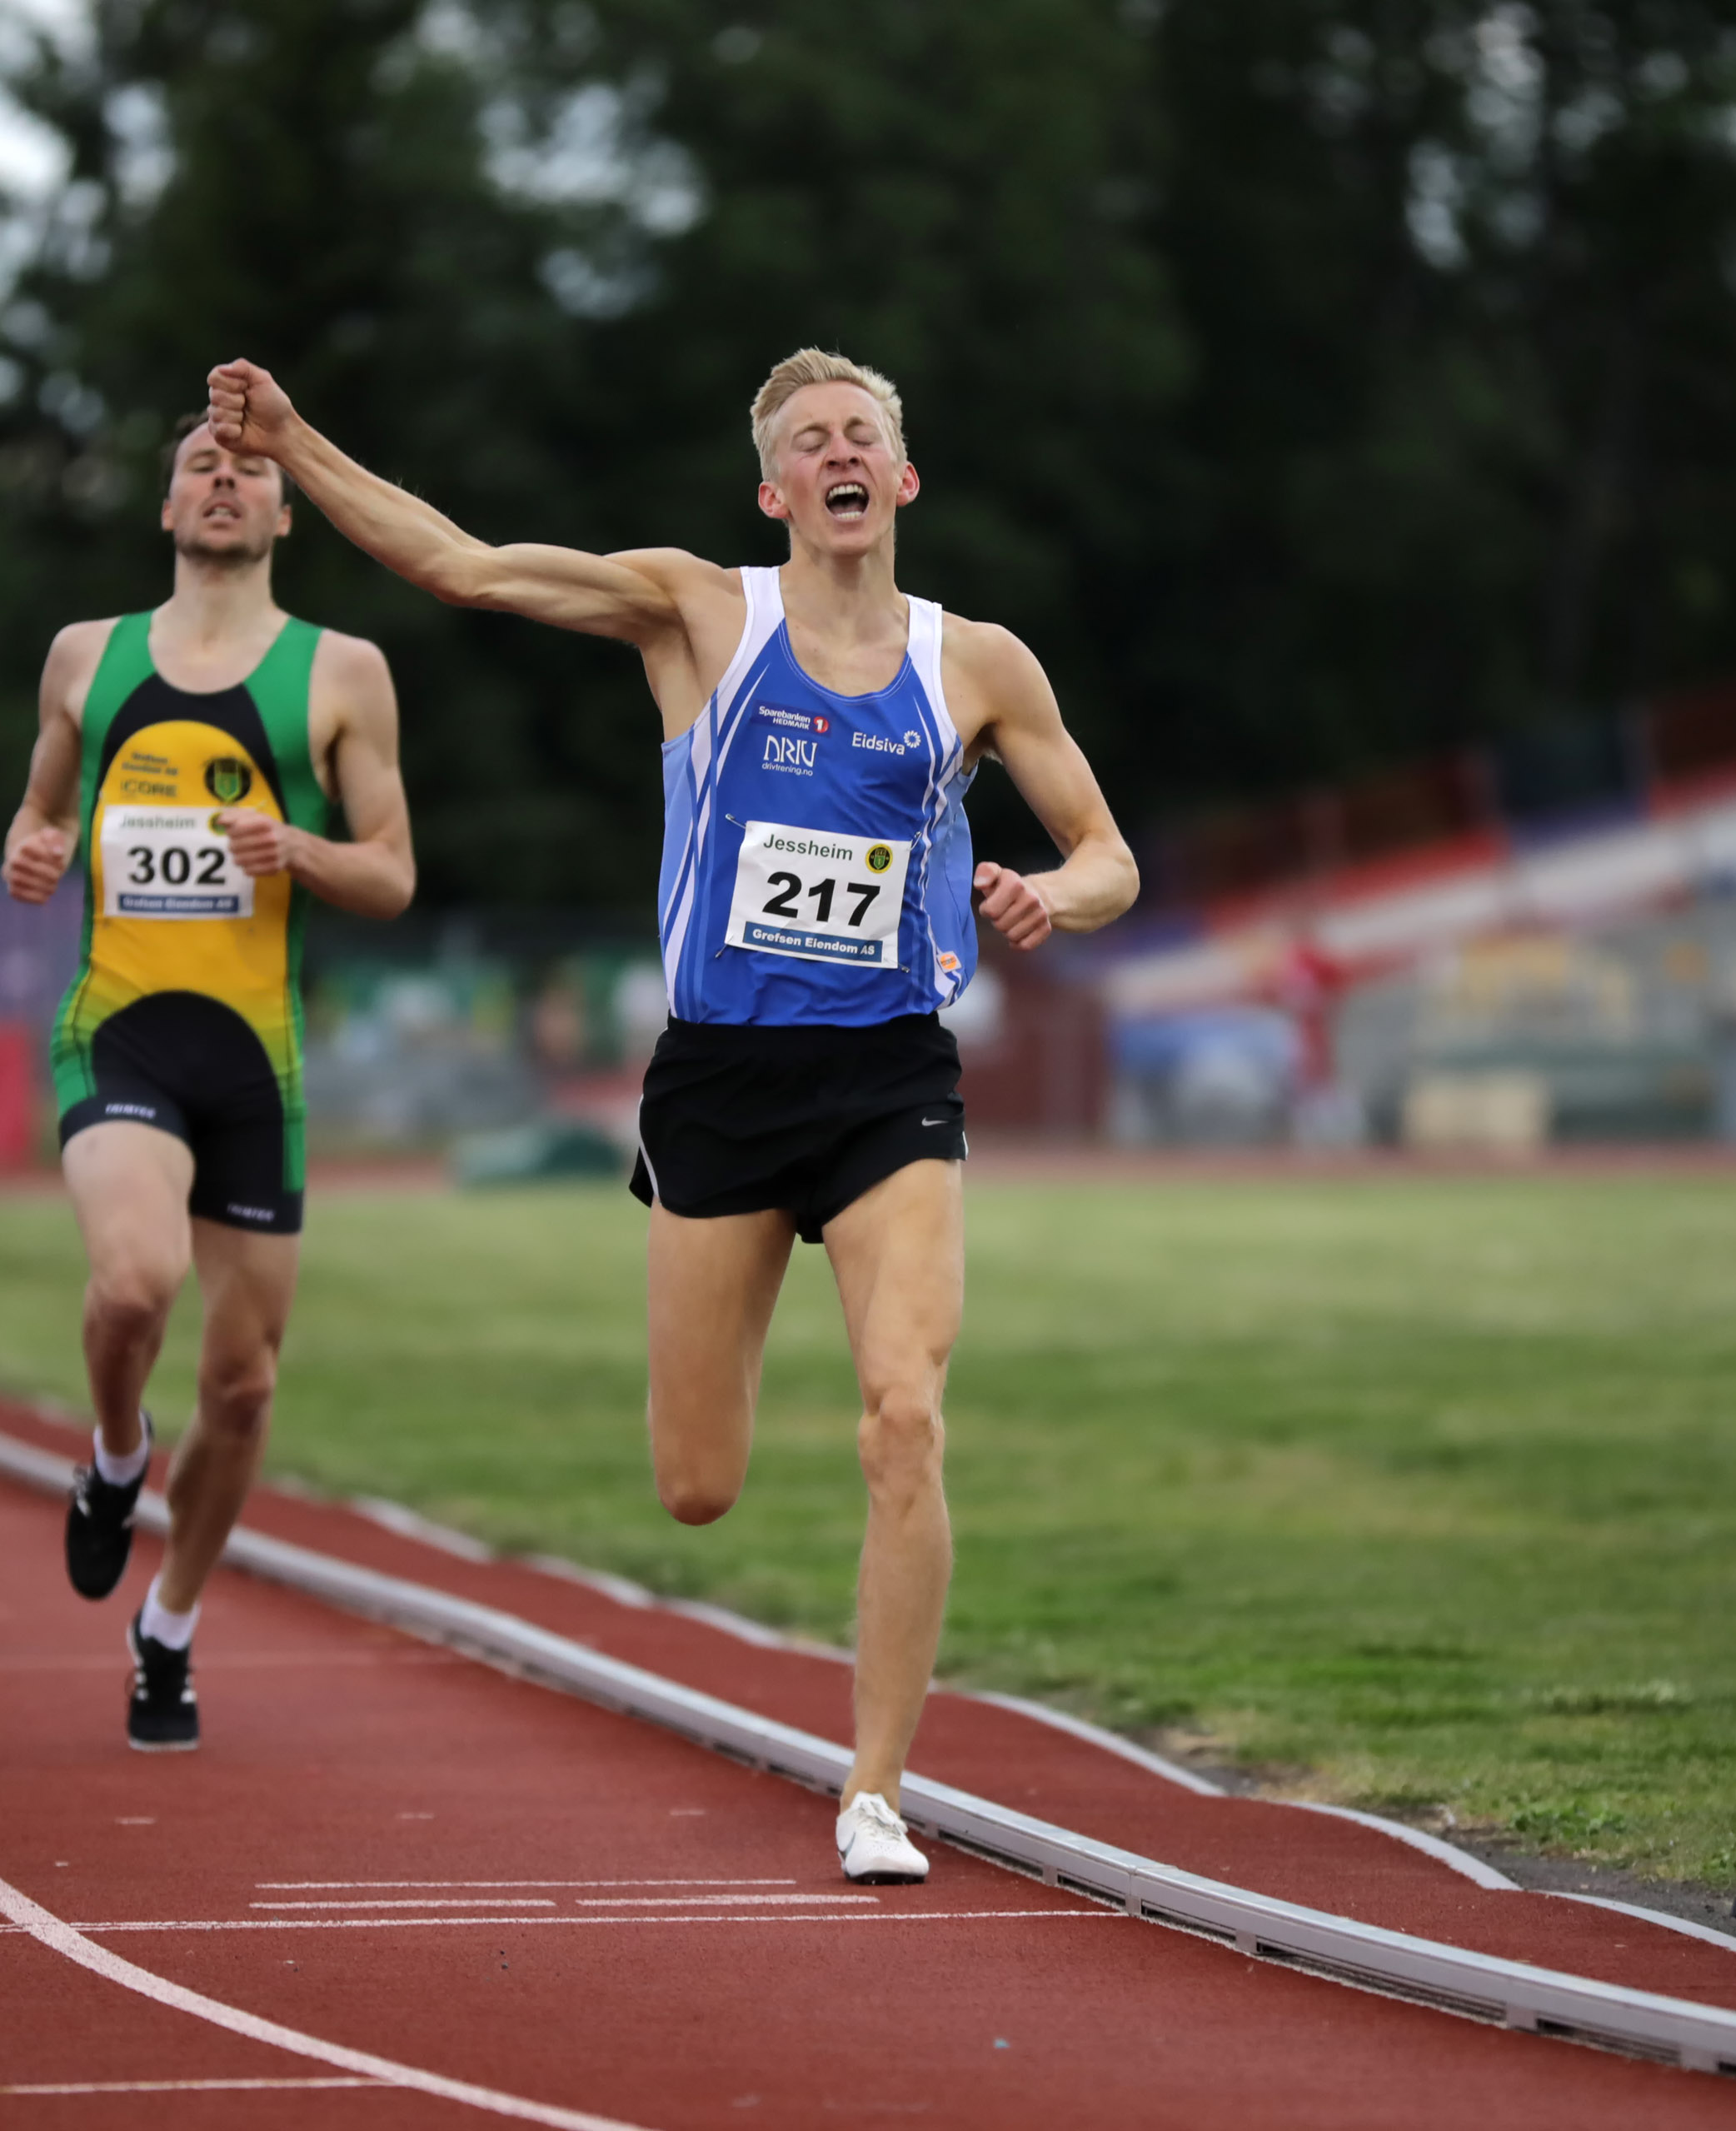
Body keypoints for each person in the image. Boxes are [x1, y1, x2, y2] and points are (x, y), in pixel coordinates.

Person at [203, 349, 1136, 1880]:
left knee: (906, 1410)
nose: (841, 454)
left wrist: (1054, 892)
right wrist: (297, 443)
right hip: (721, 1080)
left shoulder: (980, 665)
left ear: (902, 479)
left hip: (892, 1070)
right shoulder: (703, 612)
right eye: (810, 441)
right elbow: (463, 567)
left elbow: (1110, 852)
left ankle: (878, 1790)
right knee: (697, 1483)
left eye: (865, 436)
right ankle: (852, 1740)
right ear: (777, 491)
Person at [1, 411, 415, 1751]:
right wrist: (35, 848)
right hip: (118, 1027)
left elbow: (394, 873)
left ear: (287, 514)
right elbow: (43, 811)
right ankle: (118, 1455)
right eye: (199, 464)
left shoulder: (341, 672)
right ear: (166, 506)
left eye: (250, 469)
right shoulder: (87, 656)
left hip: (257, 1059)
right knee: (134, 1281)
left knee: (241, 1391)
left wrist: (295, 846)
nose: (225, 478)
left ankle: (166, 1627)